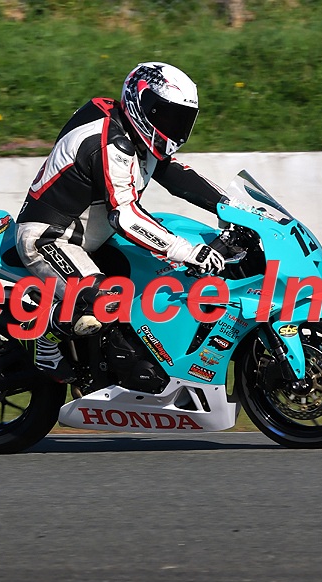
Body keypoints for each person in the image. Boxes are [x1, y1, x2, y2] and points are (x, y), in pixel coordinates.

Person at [15, 61, 227, 382]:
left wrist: (231, 207)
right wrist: (188, 251)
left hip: (93, 237)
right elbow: (125, 216)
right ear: (141, 102)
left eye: (181, 119)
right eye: (166, 115)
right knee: (105, 302)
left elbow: (177, 176)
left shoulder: (136, 134)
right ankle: (41, 336)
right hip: (50, 238)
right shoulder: (111, 143)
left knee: (150, 283)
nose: (174, 126)